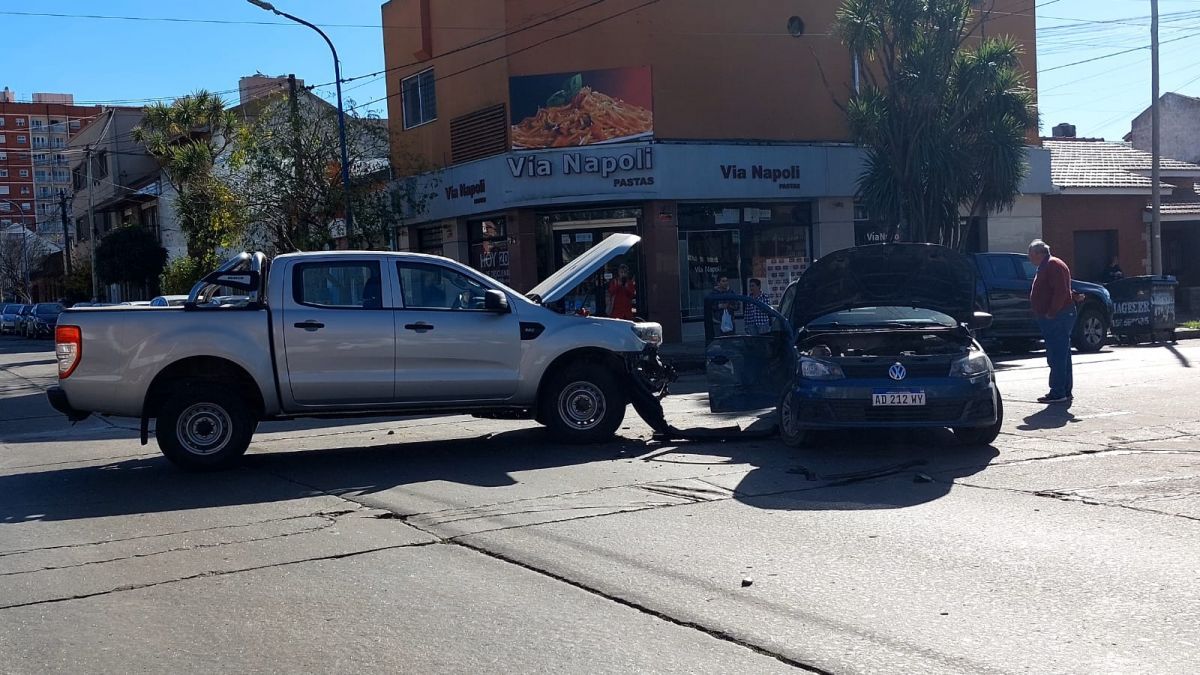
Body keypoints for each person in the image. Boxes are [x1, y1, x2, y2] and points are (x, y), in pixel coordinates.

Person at [1028, 239, 1077, 404]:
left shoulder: (1052, 265)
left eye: (1031, 254)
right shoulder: (1048, 265)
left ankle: (1058, 392)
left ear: (1039, 253)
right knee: (1062, 354)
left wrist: (1052, 312)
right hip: (1056, 315)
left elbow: (1061, 291)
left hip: (1058, 316)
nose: (1029, 258)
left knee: (1057, 354)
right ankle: (1063, 390)